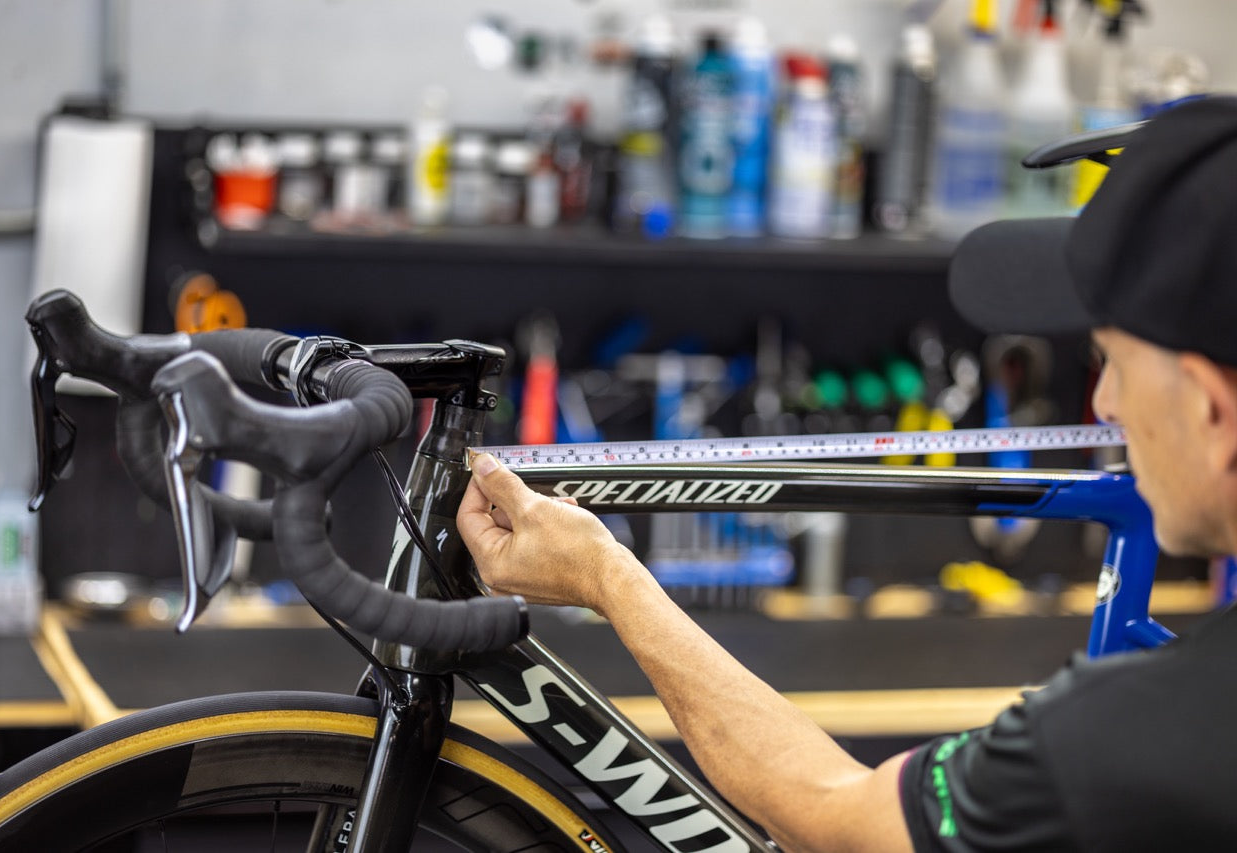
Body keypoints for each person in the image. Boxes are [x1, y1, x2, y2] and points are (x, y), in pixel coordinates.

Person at [457, 94, 1237, 852]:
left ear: (1211, 410)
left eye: (1121, 366)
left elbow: (837, 822)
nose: (1102, 406)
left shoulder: (1164, 730)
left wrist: (607, 577)